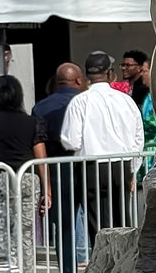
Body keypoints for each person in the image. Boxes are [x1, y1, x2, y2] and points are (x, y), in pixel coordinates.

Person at [59, 51, 144, 249]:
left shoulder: (80, 102)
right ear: (109, 73)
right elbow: (138, 137)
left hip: (91, 166)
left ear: (87, 76)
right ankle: (124, 263)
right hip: (121, 165)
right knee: (122, 219)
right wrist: (133, 169)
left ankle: (101, 263)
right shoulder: (125, 101)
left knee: (97, 222)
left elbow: (70, 141)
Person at [0, 75, 51, 271]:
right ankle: (27, 269)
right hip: (28, 178)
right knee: (27, 231)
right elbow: (41, 157)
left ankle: (6, 268)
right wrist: (47, 190)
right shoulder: (32, 122)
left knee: (0, 231)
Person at [32, 63, 86, 273]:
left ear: (57, 81)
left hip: (57, 170)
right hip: (88, 165)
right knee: (97, 219)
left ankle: (67, 267)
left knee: (63, 226)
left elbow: (38, 140)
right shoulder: (86, 102)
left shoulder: (41, 107)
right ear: (79, 81)